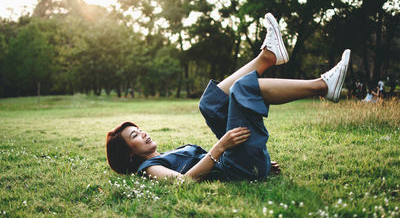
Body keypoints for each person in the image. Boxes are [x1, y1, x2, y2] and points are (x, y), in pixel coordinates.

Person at [106, 13, 351, 181]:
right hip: (236, 169)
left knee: (209, 103)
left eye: (139, 130)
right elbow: (182, 182)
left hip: (239, 164)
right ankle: (322, 86)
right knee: (243, 89)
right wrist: (221, 146)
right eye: (135, 136)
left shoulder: (160, 157)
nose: (144, 133)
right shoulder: (147, 169)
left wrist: (254, 159)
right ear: (128, 153)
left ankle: (268, 57)